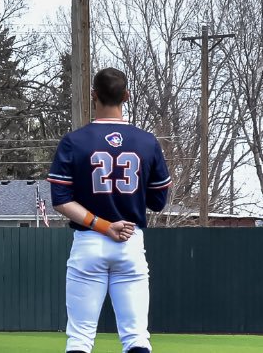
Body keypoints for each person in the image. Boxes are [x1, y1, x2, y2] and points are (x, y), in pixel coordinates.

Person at [47, 68, 170, 353]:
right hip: (130, 241)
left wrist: (103, 224)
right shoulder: (146, 141)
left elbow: (60, 199)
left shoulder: (74, 141)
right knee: (136, 338)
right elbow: (158, 201)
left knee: (80, 338)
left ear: (94, 96)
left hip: (89, 242)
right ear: (126, 96)